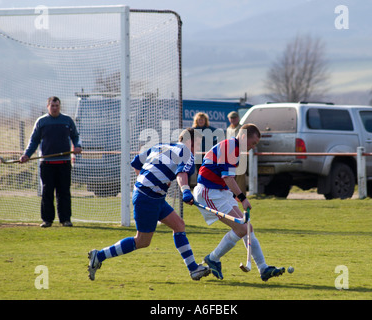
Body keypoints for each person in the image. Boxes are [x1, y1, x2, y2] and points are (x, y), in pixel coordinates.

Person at [88, 128, 210, 281]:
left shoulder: (160, 146)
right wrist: (186, 191)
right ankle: (99, 255)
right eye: (197, 145)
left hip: (152, 196)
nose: (197, 149)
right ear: (190, 142)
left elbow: (136, 163)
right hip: (148, 198)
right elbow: (182, 174)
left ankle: (194, 269)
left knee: (179, 225)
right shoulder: (186, 153)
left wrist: (148, 181)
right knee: (142, 241)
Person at [193, 123, 285, 281]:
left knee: (247, 228)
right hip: (209, 192)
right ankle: (213, 258)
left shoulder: (233, 147)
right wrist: (242, 198)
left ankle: (263, 268)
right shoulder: (231, 148)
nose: (252, 147)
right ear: (243, 137)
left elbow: (227, 179)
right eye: (252, 143)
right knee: (242, 228)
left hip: (220, 191)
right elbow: (227, 178)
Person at [19, 96, 82, 227]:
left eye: (57, 106)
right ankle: (47, 220)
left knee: (63, 192)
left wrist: (77, 146)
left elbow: (75, 136)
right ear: (48, 107)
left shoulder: (67, 120)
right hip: (47, 164)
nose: (55, 108)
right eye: (52, 106)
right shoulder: (41, 122)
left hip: (64, 163)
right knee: (47, 192)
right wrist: (26, 154)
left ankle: (65, 219)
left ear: (60, 106)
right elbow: (34, 140)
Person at [226, 111, 246, 195]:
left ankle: (241, 195)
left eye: (235, 118)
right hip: (231, 155)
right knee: (231, 175)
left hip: (240, 154)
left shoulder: (242, 128)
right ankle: (232, 194)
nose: (233, 120)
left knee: (240, 175)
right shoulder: (228, 129)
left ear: (238, 118)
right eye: (231, 118)